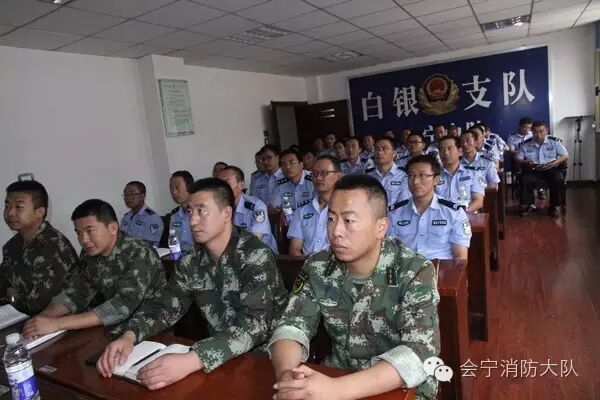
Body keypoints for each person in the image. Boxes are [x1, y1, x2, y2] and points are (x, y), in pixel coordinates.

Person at [96, 178, 288, 390]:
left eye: (201, 211)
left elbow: (255, 326)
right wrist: (129, 335)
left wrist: (194, 359)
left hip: (268, 359)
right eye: (189, 211)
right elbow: (166, 304)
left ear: (226, 214)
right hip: (219, 355)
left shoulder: (255, 255)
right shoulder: (191, 261)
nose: (193, 220)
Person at [269, 174, 440, 400]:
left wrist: (338, 390)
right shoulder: (318, 266)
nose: (336, 231)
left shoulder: (414, 270)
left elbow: (419, 351)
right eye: (331, 219)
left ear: (381, 227)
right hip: (338, 374)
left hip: (401, 387)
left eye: (349, 221)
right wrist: (288, 378)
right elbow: (292, 326)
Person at [22, 199, 166, 339]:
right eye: (78, 233)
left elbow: (121, 306)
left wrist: (58, 324)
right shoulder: (89, 254)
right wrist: (44, 318)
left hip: (149, 329)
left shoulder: (139, 253)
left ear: (113, 228)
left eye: (90, 231)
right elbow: (77, 292)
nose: (84, 240)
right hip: (112, 327)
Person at [1, 181, 80, 315]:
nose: (10, 212)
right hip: (22, 316)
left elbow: (38, 304)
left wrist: (12, 297)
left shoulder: (52, 246)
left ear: (40, 212)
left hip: (59, 320)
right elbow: (3, 282)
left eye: (19, 207)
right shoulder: (12, 245)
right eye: (7, 206)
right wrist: (10, 293)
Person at [388, 155, 471, 261]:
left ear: (436, 180)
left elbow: (460, 258)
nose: (415, 181)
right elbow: (389, 252)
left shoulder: (454, 213)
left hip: (440, 269)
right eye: (411, 175)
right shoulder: (394, 213)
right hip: (405, 269)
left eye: (422, 176)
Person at [287, 155, 342, 257]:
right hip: (306, 264)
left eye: (324, 173)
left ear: (338, 176)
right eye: (315, 174)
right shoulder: (302, 210)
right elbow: (294, 249)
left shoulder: (346, 209)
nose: (318, 178)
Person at [217, 166, 278, 254]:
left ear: (241, 185)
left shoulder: (256, 206)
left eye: (227, 183)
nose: (221, 188)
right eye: (219, 184)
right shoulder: (217, 207)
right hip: (230, 254)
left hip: (261, 255)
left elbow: (255, 241)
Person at [516, 121, 568, 218]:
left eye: (541, 131)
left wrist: (554, 163)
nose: (538, 134)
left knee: (557, 179)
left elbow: (564, 156)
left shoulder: (554, 141)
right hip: (534, 169)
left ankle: (553, 206)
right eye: (535, 132)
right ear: (531, 132)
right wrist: (526, 162)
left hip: (551, 169)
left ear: (547, 131)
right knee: (525, 180)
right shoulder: (525, 144)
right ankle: (529, 205)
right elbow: (518, 158)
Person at [436, 136, 484, 213]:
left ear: (460, 151)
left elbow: (478, 201)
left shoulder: (473, 173)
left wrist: (461, 214)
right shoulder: (433, 175)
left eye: (449, 148)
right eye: (442, 149)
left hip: (466, 215)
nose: (446, 153)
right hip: (440, 216)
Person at [367, 137, 409, 205]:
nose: (380, 153)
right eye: (377, 149)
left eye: (384, 149)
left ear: (394, 153)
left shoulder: (404, 175)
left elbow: (404, 204)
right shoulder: (368, 176)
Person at [120, 181, 163, 247]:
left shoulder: (152, 218)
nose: (128, 198)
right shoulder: (125, 218)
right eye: (126, 194)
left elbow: (149, 245)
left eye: (132, 194)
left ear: (143, 196)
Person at [166, 170, 194, 253]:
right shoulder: (174, 215)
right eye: (171, 188)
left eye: (177, 187)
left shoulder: (201, 212)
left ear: (189, 187)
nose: (174, 192)